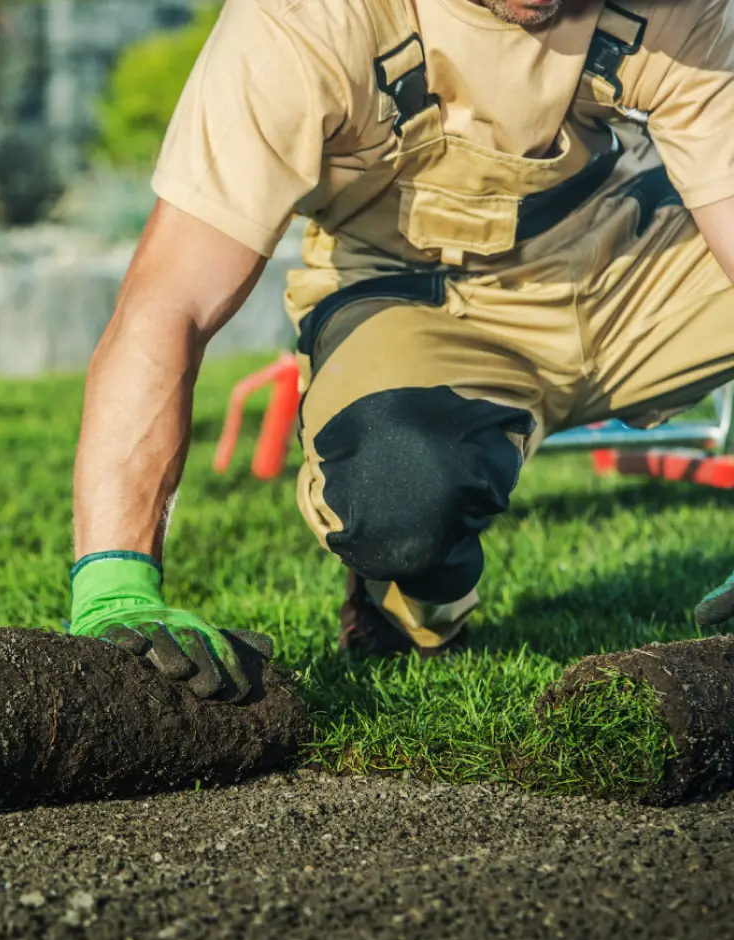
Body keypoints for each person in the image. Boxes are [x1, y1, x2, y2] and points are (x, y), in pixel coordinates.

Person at [68, 0, 734, 701]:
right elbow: (170, 302)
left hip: (624, 258)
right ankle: (411, 593)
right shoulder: (303, 20)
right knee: (400, 496)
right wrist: (116, 582)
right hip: (416, 296)